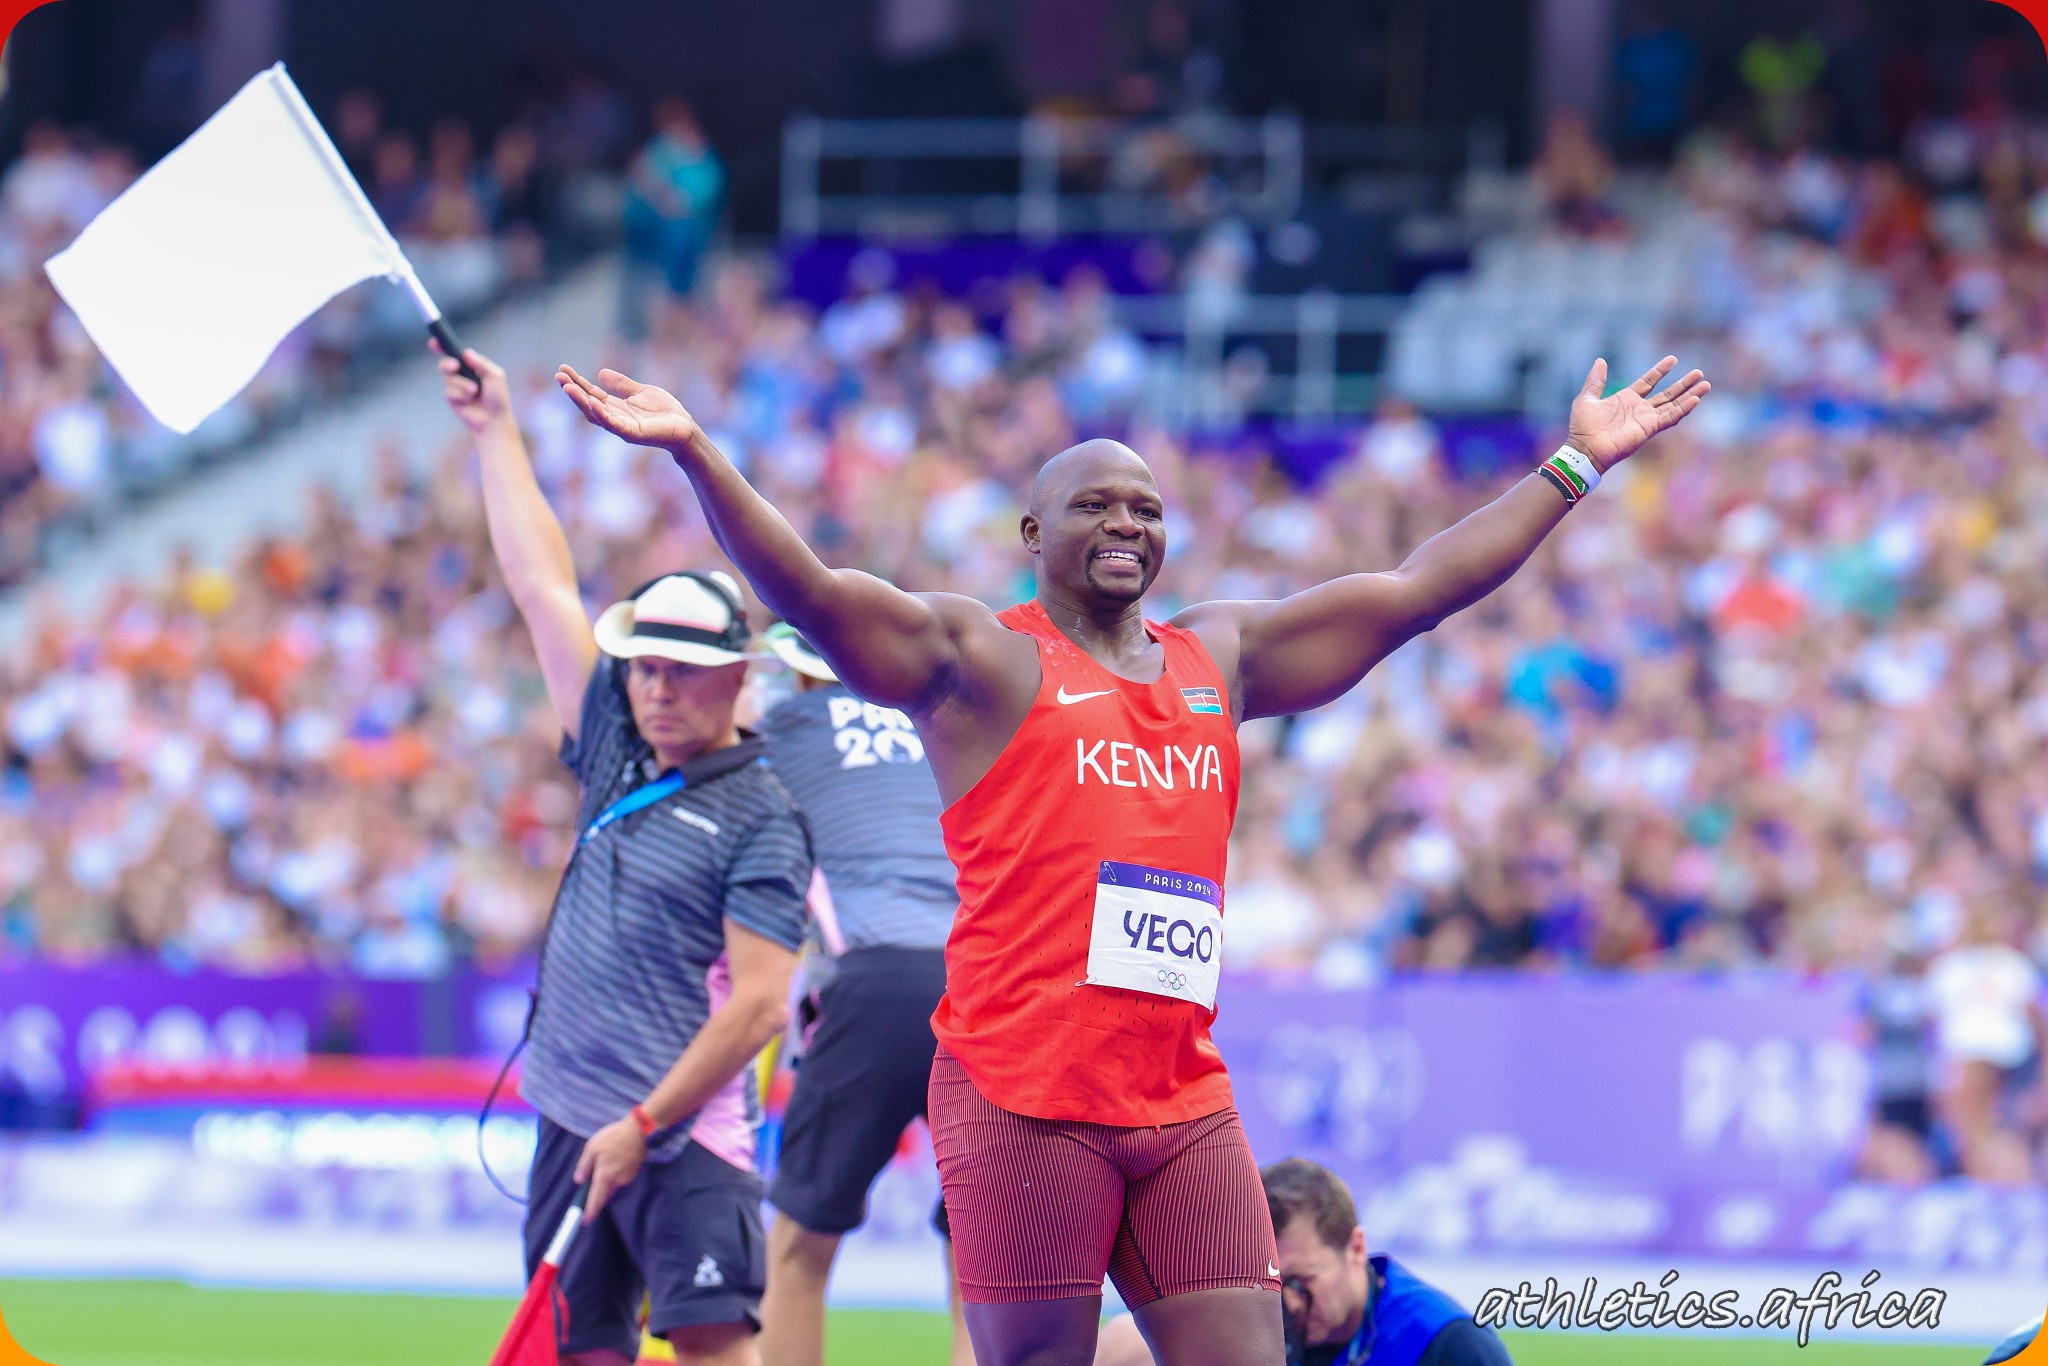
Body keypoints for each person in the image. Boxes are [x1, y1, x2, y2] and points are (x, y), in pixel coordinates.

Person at [552, 349, 1707, 1366]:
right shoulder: (979, 661)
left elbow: (1411, 595)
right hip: (1022, 1095)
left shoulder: (1221, 654)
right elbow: (811, 592)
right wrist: (697, 452)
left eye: (1145, 508)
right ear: (1033, 534)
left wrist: (1572, 467)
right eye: (1094, 505)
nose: (1125, 525)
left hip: (1178, 1093)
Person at [441, 343, 814, 1366]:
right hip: (571, 1117)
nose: (656, 688)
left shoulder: (765, 813)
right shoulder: (613, 741)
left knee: (711, 1352)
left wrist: (643, 1120)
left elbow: (758, 1007)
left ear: (740, 675)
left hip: (684, 1138)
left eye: (685, 671)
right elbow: (541, 586)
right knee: (583, 1353)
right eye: (645, 666)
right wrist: (495, 431)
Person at [750, 623, 974, 1366]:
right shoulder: (946, 720)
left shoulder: (784, 724)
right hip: (980, 981)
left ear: (807, 675)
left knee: (797, 1250)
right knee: (980, 1254)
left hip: (874, 978)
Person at [1095, 1159, 1510, 1366]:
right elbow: (1121, 1343)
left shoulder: (1446, 1343)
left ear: (1356, 1249)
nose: (1289, 1304)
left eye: (1300, 1281)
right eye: (1272, 1284)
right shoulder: (1260, 1323)